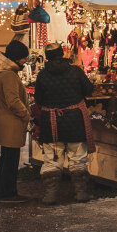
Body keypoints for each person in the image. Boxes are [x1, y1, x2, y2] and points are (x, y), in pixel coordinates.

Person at [29, 45, 94, 205]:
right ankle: (81, 193)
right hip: (75, 121)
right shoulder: (76, 71)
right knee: (78, 158)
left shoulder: (43, 75)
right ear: (62, 54)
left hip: (51, 123)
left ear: (47, 57)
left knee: (51, 160)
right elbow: (89, 90)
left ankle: (50, 195)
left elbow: (39, 99)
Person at [0, 40, 32, 205]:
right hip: (10, 122)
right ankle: (7, 193)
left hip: (2, 119)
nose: (24, 61)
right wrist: (26, 115)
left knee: (5, 158)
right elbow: (13, 100)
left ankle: (1, 192)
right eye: (23, 58)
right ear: (16, 58)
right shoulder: (8, 75)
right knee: (10, 160)